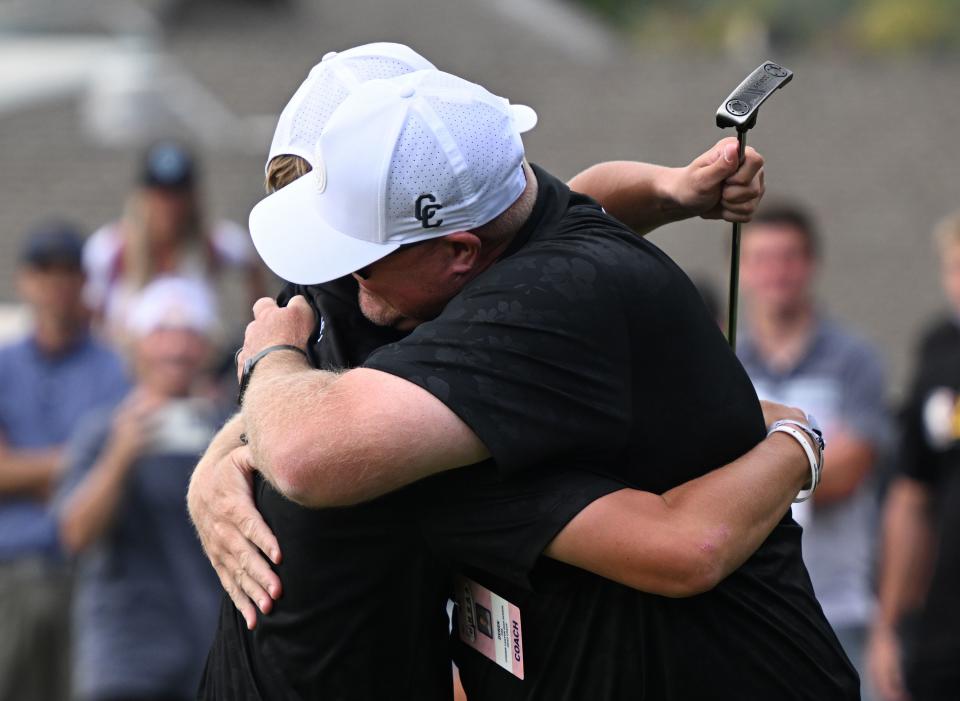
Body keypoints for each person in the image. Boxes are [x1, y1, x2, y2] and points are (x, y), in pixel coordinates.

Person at [191, 58, 856, 699]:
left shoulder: (521, 329)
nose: (345, 285)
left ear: (460, 253)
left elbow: (308, 451)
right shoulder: (466, 273)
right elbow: (576, 202)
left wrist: (265, 362)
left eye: (363, 262)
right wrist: (224, 457)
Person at [736, 203, 889, 697]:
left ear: (811, 265)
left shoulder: (855, 359)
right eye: (763, 259)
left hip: (839, 606)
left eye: (789, 258)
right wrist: (809, 457)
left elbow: (850, 471)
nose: (777, 272)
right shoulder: (726, 365)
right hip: (753, 610)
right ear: (744, 271)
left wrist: (743, 482)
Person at [56, 277, 224, 701]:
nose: (177, 348)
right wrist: (121, 453)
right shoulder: (104, 429)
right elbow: (75, 534)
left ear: (206, 348)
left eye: (190, 333)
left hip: (211, 655)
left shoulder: (230, 430)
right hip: (125, 657)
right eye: (161, 333)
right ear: (137, 347)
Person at [0, 221, 129, 701]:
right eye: (43, 270)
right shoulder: (4, 364)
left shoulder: (114, 369)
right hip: (10, 574)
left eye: (66, 271)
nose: (55, 283)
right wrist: (81, 464)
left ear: (83, 281)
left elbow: (120, 467)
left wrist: (25, 468)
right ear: (24, 280)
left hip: (88, 575)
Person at [867, 211, 960, 701]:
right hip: (943, 628)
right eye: (957, 269)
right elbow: (911, 494)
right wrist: (887, 627)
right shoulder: (938, 349)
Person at [83, 141, 266, 342]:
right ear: (142, 197)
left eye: (178, 195)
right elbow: (93, 317)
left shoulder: (213, 243)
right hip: (129, 364)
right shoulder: (110, 248)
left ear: (193, 198)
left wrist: (253, 337)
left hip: (196, 361)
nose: (169, 206)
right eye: (160, 195)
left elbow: (250, 261)